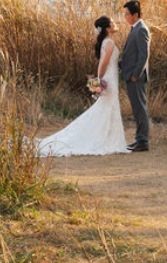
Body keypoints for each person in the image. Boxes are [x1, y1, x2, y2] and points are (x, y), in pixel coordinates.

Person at [36, 16, 130, 157]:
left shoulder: (106, 41)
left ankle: (109, 139)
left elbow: (102, 64)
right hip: (109, 79)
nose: (115, 23)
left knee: (105, 108)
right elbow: (103, 64)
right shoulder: (109, 42)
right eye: (112, 22)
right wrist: (98, 81)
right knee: (108, 107)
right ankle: (108, 141)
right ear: (107, 28)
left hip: (109, 77)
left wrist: (98, 79)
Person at [118, 0, 150, 152]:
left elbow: (144, 56)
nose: (125, 17)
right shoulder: (134, 29)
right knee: (137, 110)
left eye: (127, 14)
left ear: (135, 14)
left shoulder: (141, 29)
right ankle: (139, 140)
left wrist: (135, 75)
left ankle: (143, 142)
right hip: (130, 75)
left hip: (136, 77)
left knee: (140, 109)